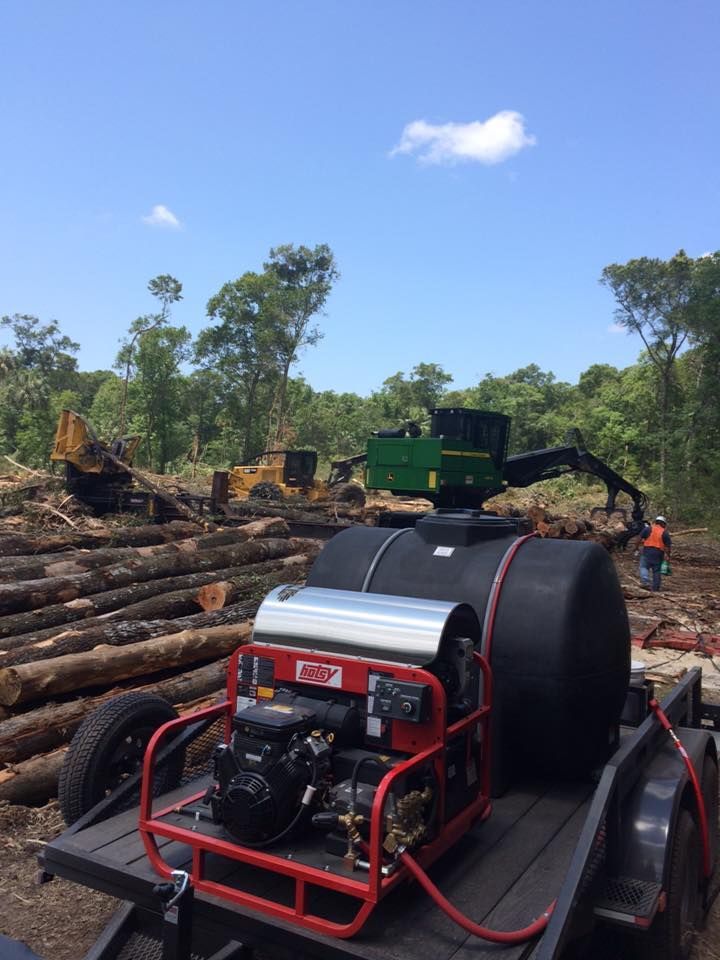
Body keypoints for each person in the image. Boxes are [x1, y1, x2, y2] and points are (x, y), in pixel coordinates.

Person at [638, 516, 672, 592]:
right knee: (656, 571)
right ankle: (655, 588)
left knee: (644, 567)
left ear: (656, 522)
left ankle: (645, 582)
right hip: (658, 553)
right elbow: (667, 547)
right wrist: (668, 556)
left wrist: (636, 547)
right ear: (663, 524)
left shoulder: (648, 529)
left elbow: (639, 538)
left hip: (647, 551)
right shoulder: (664, 532)